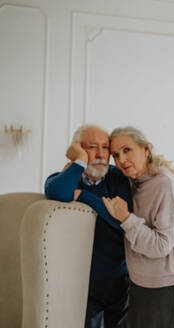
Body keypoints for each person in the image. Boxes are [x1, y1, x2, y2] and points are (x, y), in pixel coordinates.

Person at [95, 126, 174, 328]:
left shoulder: (165, 185)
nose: (121, 160)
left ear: (146, 150)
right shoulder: (133, 183)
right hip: (138, 282)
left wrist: (126, 218)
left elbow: (161, 245)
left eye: (127, 150)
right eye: (116, 155)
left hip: (163, 286)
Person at [44, 125, 132, 328]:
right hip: (81, 279)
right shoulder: (70, 175)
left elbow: (121, 221)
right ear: (78, 150)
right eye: (92, 147)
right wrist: (80, 162)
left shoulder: (117, 177)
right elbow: (57, 192)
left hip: (118, 278)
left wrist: (85, 197)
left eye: (105, 147)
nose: (101, 154)